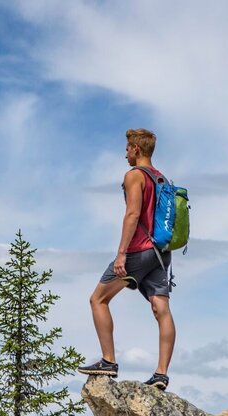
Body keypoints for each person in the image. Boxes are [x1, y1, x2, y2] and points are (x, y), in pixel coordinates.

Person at [77, 128, 176, 390]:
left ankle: (108, 361)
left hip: (138, 251)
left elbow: (132, 214)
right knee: (161, 309)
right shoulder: (161, 179)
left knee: (98, 299)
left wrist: (122, 253)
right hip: (160, 253)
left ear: (136, 149)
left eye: (127, 149)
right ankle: (161, 374)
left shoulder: (135, 176)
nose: (125, 155)